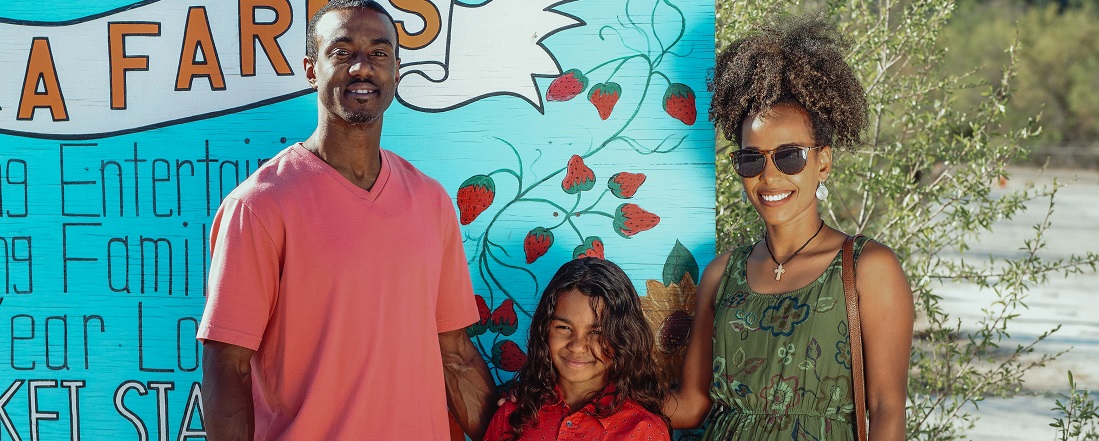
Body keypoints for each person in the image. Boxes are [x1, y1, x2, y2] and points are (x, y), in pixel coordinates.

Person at [196, 1, 495, 439]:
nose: (362, 67)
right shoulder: (259, 205)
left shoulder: (431, 202)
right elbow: (228, 368)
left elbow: (456, 356)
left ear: (396, 70)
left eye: (378, 53)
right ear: (311, 69)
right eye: (341, 52)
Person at [664, 14, 914, 440]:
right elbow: (690, 405)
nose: (769, 175)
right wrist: (586, 390)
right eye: (751, 158)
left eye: (790, 156)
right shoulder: (723, 275)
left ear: (824, 161)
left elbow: (887, 408)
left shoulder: (868, 268)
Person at [483, 257, 671, 440]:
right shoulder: (513, 416)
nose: (577, 346)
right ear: (544, 330)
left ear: (623, 337)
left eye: (597, 332)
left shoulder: (644, 431)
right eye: (564, 328)